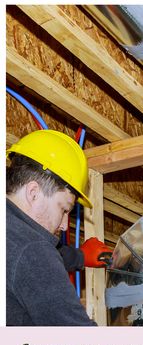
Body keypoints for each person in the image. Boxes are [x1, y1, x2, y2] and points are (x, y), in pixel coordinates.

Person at [6, 129, 112, 326]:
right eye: (64, 209)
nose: (64, 226)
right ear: (33, 192)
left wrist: (80, 256)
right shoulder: (33, 250)